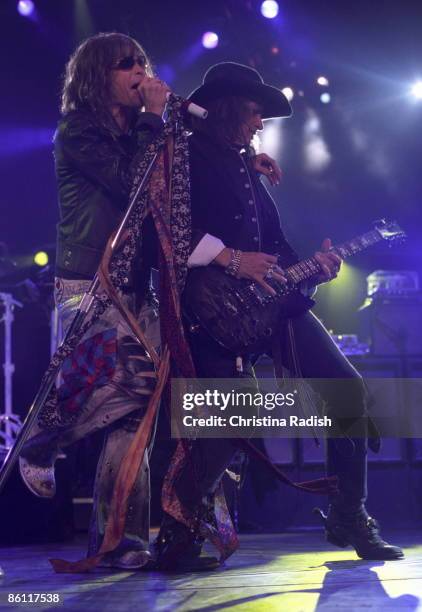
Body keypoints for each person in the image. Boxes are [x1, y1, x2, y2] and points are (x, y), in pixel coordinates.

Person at [156, 62, 403, 564]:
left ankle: (348, 515)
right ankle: (177, 535)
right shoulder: (184, 155)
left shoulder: (249, 168)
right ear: (225, 108)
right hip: (212, 309)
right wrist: (231, 258)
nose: (260, 124)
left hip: (274, 306)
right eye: (253, 112)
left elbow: (277, 249)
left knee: (346, 388)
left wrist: (315, 266)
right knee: (226, 425)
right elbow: (167, 234)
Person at [18, 32, 170, 570]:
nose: (139, 70)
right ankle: (41, 440)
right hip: (88, 284)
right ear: (97, 76)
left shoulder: (144, 134)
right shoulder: (78, 131)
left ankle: (119, 539)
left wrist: (246, 161)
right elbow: (132, 187)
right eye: (126, 64)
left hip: (137, 286)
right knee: (106, 393)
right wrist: (154, 119)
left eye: (142, 61)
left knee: (134, 412)